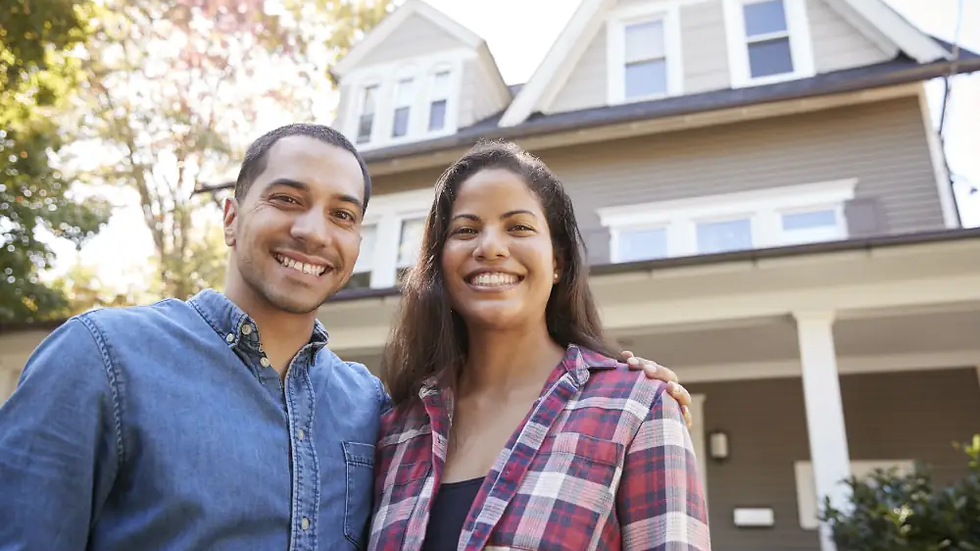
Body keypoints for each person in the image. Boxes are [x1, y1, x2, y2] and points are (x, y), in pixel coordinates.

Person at [0, 123, 691, 551]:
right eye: (288, 199)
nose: (312, 232)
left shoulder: (369, 409)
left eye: (342, 213)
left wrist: (627, 387)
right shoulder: (103, 359)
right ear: (230, 216)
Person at [368, 141, 711, 550]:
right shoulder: (396, 430)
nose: (490, 247)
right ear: (439, 264)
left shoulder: (638, 408)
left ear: (557, 263)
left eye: (518, 227)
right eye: (465, 230)